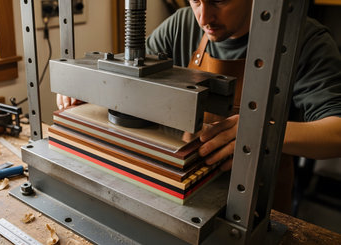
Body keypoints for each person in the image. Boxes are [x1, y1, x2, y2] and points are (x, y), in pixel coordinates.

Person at [57, 0, 341, 213]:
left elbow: (336, 133)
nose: (204, 16)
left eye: (219, 0)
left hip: (257, 203)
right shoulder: (181, 24)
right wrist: (92, 91)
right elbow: (133, 81)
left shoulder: (301, 39)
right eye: (195, 0)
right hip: (185, 193)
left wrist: (263, 132)